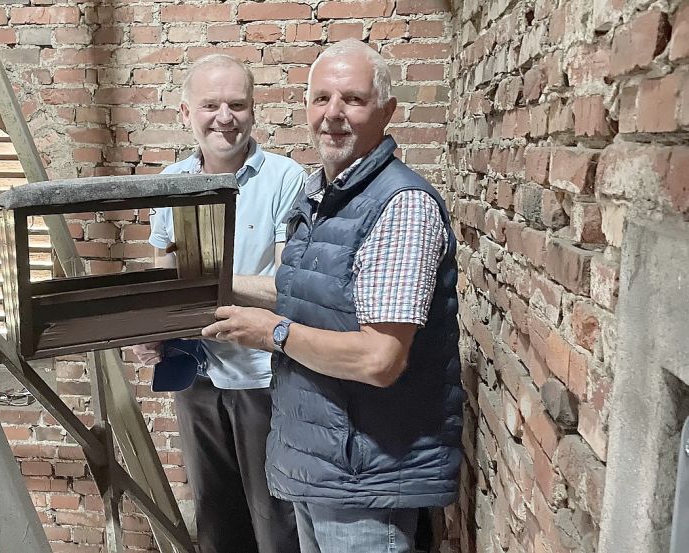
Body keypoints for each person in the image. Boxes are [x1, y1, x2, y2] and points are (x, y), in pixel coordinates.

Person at [201, 39, 464, 553]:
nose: (333, 115)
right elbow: (298, 290)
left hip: (367, 477)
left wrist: (272, 333)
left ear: (387, 111)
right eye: (321, 99)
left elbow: (379, 359)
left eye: (353, 100)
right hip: (322, 464)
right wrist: (214, 289)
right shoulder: (323, 195)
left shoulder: (399, 206)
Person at [132, 54, 304, 553]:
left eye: (237, 104)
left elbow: (285, 288)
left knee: (276, 520)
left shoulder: (284, 179)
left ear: (253, 111)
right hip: (195, 370)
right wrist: (154, 330)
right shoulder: (172, 181)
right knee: (214, 518)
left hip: (263, 375)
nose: (224, 117)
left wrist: (205, 285)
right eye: (211, 104)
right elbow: (165, 273)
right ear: (186, 112)